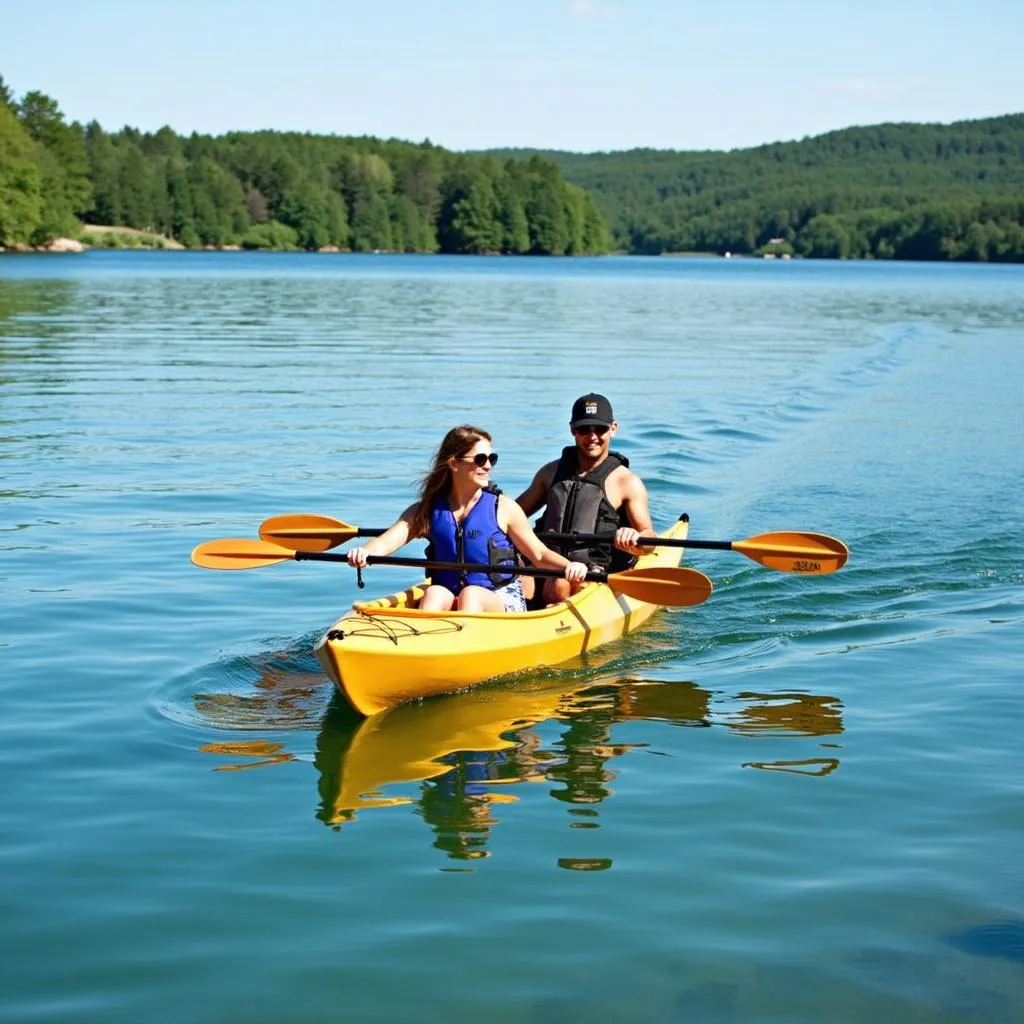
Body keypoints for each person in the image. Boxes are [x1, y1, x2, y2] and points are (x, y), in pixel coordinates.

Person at [346, 425, 588, 613]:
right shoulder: (428, 510)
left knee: (471, 593)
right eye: (480, 460)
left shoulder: (503, 508)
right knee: (434, 594)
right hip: (451, 594)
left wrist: (569, 567)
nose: (488, 467)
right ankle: (426, 651)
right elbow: (387, 541)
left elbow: (539, 555)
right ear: (453, 463)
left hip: (499, 597)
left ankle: (461, 654)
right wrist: (364, 552)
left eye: (491, 459)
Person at [516, 393, 656, 605]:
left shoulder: (626, 482)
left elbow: (649, 540)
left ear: (613, 428)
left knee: (560, 584)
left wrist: (634, 539)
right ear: (573, 429)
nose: (592, 437)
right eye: (584, 429)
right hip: (547, 565)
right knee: (548, 578)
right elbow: (512, 516)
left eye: (600, 429)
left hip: (595, 574)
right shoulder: (550, 473)